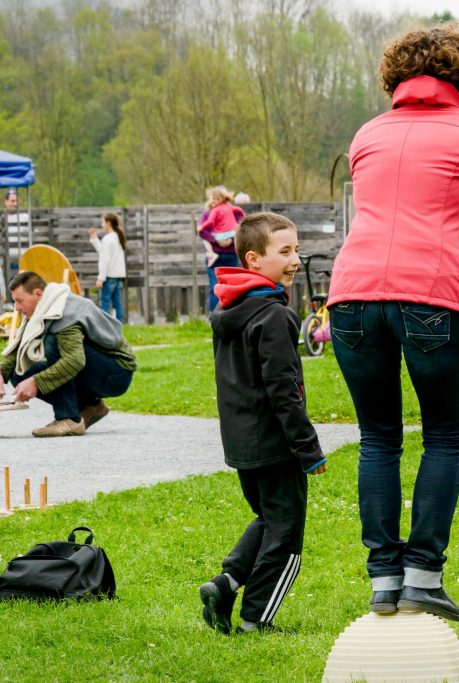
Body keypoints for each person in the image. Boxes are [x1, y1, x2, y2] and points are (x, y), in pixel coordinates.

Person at [327, 24, 459, 622]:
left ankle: (384, 579)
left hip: (350, 298)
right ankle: (423, 576)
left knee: (378, 437)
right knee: (445, 437)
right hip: (432, 295)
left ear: (397, 76)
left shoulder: (367, 134)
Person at [198, 212, 327, 635]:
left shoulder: (230, 307)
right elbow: (284, 390)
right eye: (284, 251)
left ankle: (226, 583)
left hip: (242, 442)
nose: (295, 259)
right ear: (253, 259)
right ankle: (257, 618)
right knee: (286, 538)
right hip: (275, 443)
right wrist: (308, 450)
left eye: (296, 249)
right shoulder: (273, 316)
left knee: (269, 518)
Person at [0, 271, 136, 437]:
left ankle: (69, 419)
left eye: (19, 301)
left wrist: (37, 382)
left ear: (37, 294)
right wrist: (0, 371)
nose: (16, 308)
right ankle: (91, 406)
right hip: (94, 370)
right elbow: (20, 348)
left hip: (116, 373)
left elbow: (75, 361)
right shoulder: (43, 306)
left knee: (52, 342)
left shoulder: (63, 312)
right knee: (18, 372)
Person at [198, 186, 245, 312]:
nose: (213, 200)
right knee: (215, 288)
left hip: (231, 255)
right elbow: (202, 232)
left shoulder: (232, 211)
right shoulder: (207, 214)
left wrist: (231, 240)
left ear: (223, 199)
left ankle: (229, 315)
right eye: (212, 198)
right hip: (214, 257)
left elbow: (241, 226)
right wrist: (216, 241)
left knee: (230, 288)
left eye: (216, 198)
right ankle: (214, 317)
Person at [88, 212, 127, 322]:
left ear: (108, 223)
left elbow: (105, 260)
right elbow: (104, 253)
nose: (102, 225)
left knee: (105, 302)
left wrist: (101, 278)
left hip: (109, 276)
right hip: (117, 275)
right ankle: (120, 325)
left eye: (103, 222)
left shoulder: (108, 239)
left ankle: (106, 327)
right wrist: (95, 239)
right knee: (117, 302)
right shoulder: (117, 237)